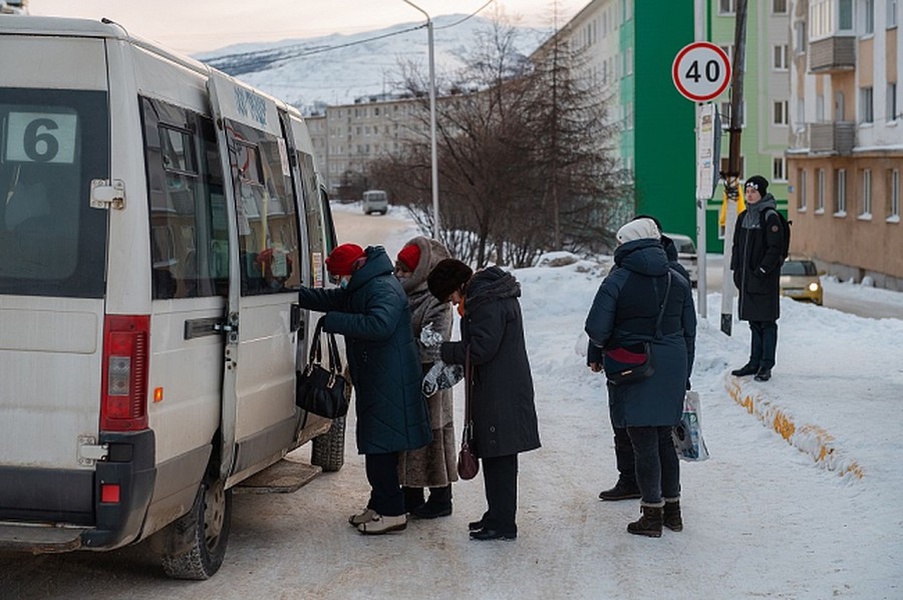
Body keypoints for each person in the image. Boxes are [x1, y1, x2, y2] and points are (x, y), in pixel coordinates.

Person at [297, 243, 432, 535]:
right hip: (381, 377)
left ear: (353, 269)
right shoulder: (367, 282)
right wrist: (297, 295)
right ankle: (379, 504)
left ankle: (392, 512)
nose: (339, 282)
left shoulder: (382, 288)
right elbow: (337, 298)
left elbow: (379, 324)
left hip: (389, 381)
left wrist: (334, 322)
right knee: (377, 445)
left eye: (340, 276)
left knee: (380, 447)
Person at [585, 218, 696, 537]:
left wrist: (611, 343)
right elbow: (690, 330)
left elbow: (596, 329)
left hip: (635, 364)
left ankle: (651, 515)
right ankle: (673, 512)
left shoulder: (618, 279)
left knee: (643, 440)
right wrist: (684, 371)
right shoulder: (677, 278)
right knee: (664, 438)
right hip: (673, 362)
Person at [427, 259, 541, 541]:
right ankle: (496, 515)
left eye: (452, 297)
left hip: (501, 391)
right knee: (493, 454)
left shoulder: (486, 301)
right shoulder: (486, 295)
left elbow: (480, 348)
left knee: (500, 458)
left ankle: (503, 524)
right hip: (499, 388)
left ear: (458, 286)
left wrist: (445, 350)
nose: (454, 304)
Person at [393, 237, 458, 519]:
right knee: (409, 439)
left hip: (429, 378)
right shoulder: (399, 294)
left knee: (432, 437)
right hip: (405, 378)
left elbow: (433, 343)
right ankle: (411, 494)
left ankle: (442, 498)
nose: (399, 275)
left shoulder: (437, 298)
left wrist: (398, 348)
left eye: (406, 270)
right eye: (398, 269)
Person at [730, 175, 785, 382]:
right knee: (754, 322)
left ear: (761, 193)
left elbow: (775, 248)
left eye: (754, 191)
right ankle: (754, 361)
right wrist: (736, 269)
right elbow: (736, 246)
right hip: (747, 280)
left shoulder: (769, 216)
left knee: (767, 323)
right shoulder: (744, 216)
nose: (750, 195)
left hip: (764, 280)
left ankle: (766, 364)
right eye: (748, 191)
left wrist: (762, 271)